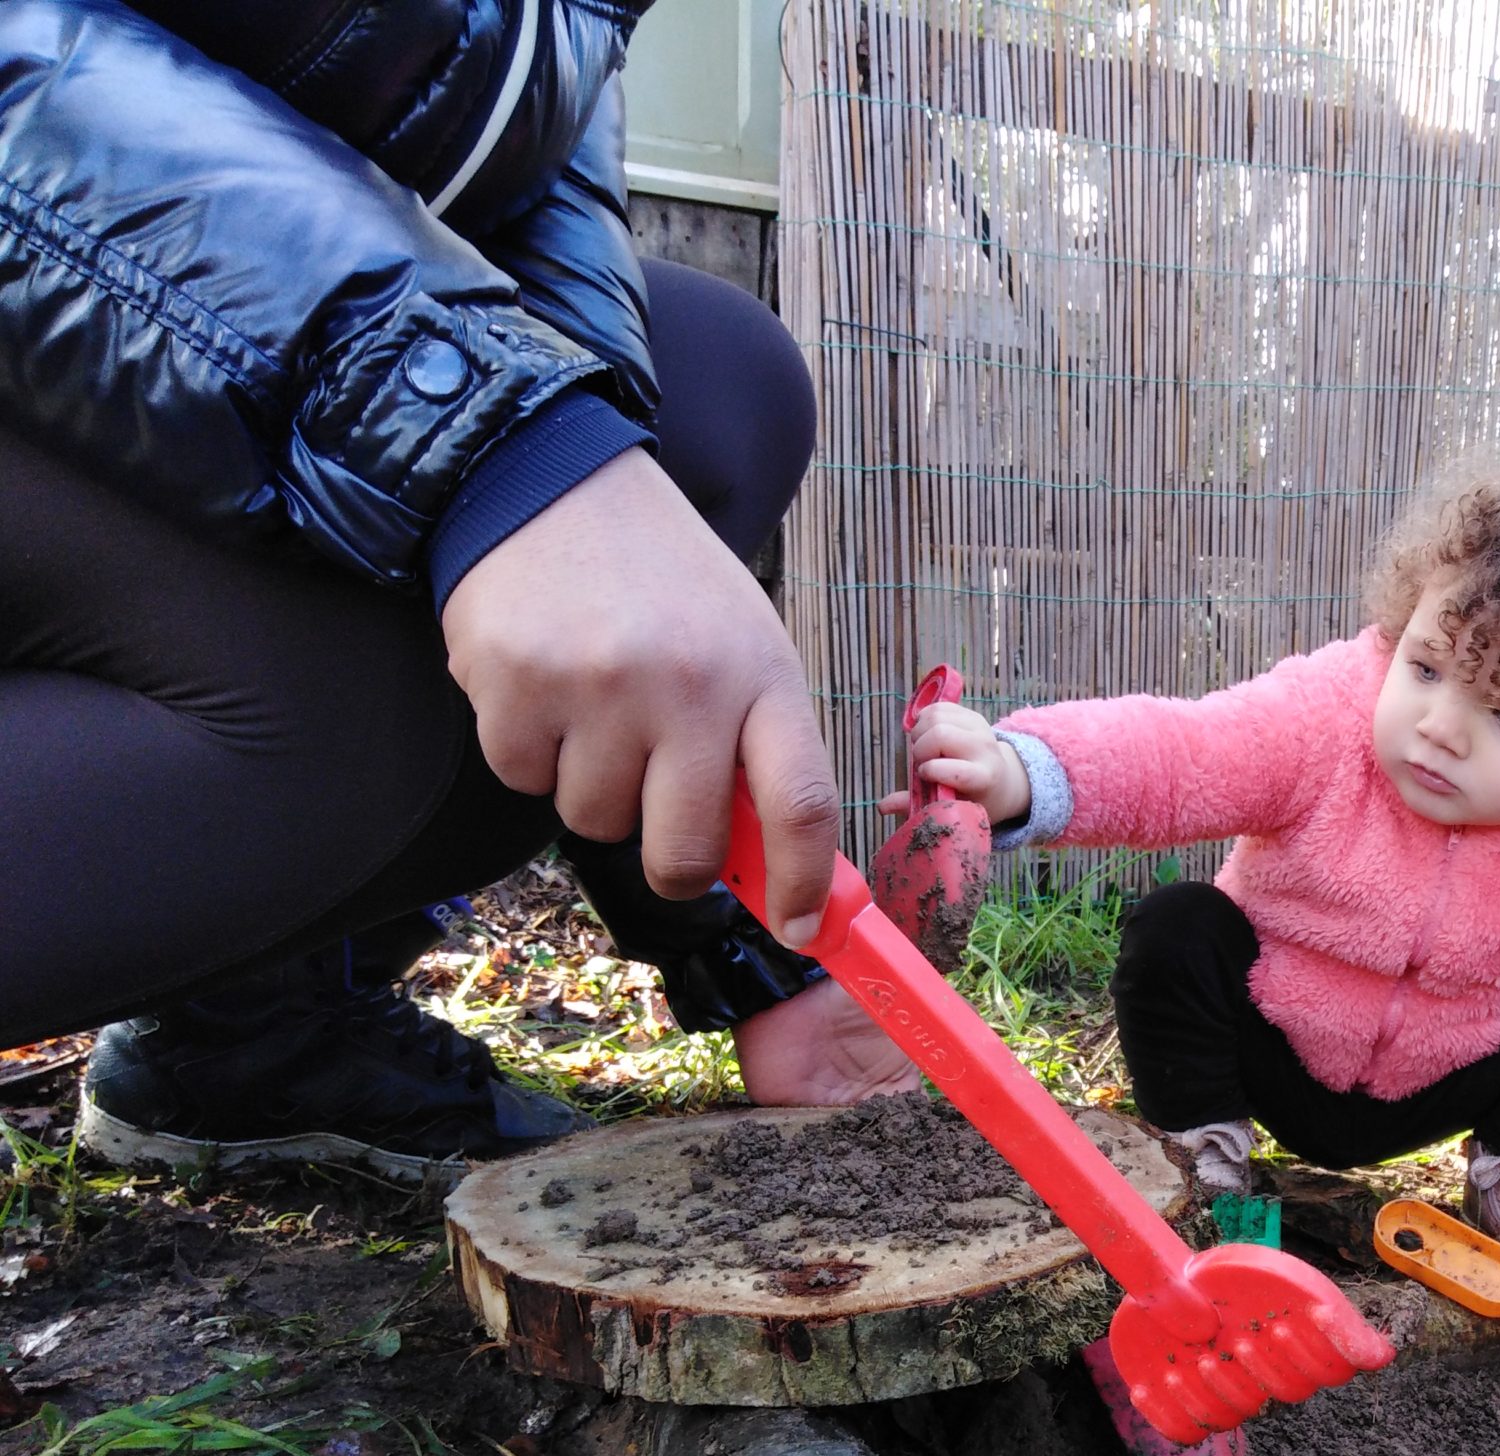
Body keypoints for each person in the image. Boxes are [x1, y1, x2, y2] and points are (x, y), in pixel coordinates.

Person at [0, 0, 911, 1180]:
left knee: (711, 406)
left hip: (155, 326)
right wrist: (483, 450)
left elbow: (519, 175)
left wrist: (755, 957)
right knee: (347, 681)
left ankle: (249, 1037)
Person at [888, 401, 1500, 1256]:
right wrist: (1021, 773)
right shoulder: (1328, 720)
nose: (1440, 725)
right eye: (1426, 668)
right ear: (1405, 625)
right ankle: (1201, 1147)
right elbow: (1184, 754)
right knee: (1178, 927)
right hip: (1274, 1045)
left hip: (1452, 1075)